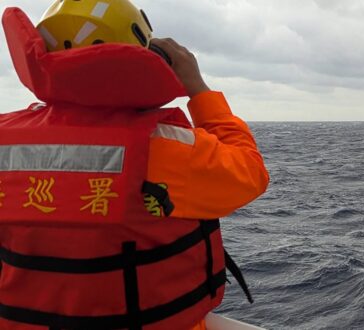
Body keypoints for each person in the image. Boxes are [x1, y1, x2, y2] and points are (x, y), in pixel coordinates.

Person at [0, 1, 268, 329]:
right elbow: (249, 173)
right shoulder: (165, 145)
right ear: (142, 52)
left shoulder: (5, 138)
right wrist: (198, 89)